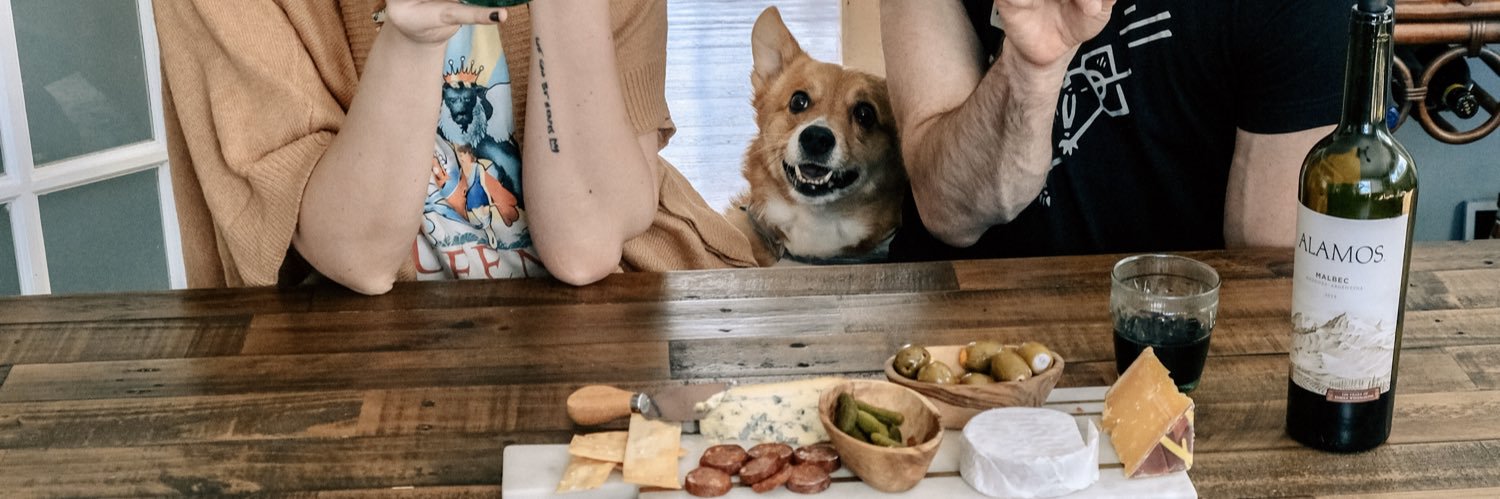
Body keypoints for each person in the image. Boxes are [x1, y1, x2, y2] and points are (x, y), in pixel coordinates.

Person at [155, 0, 755, 294]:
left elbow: (585, 246)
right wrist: (411, 39)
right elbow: (355, 256)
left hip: (618, 297)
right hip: (347, 342)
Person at [879, 0, 1353, 261]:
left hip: (1180, 350)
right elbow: (948, 212)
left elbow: (1267, 278)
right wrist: (1030, 69)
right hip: (959, 343)